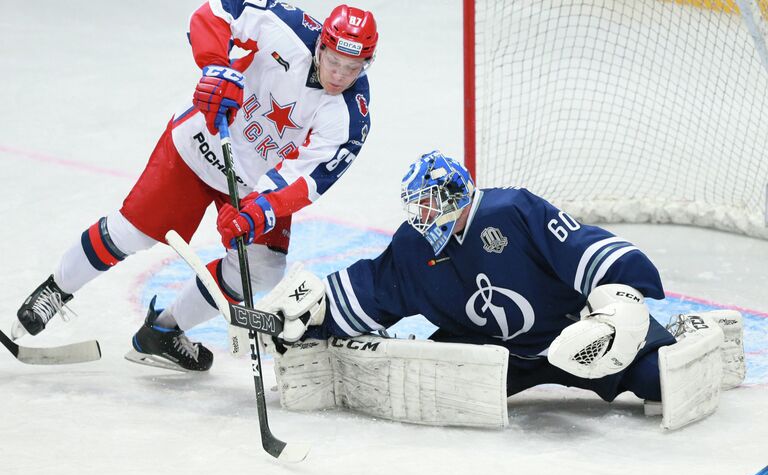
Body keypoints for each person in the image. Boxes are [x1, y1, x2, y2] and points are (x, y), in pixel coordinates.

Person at [255, 150, 746, 430]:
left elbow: (590, 250)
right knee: (428, 392)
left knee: (666, 385)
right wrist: (313, 312)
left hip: (576, 339)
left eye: (430, 205)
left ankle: (695, 333)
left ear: (456, 195)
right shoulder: (413, 246)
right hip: (492, 354)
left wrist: (618, 307)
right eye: (417, 208)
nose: (423, 218)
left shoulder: (512, 211)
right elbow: (377, 290)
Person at [11, 1, 378, 372]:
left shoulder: (351, 114)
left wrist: (260, 209)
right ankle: (55, 289)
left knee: (262, 268)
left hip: (253, 180)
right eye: (334, 61)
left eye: (352, 68)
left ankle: (164, 332)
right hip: (201, 142)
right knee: (133, 233)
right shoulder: (285, 25)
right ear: (321, 45)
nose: (339, 75)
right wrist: (216, 65)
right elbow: (214, 13)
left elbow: (308, 178)